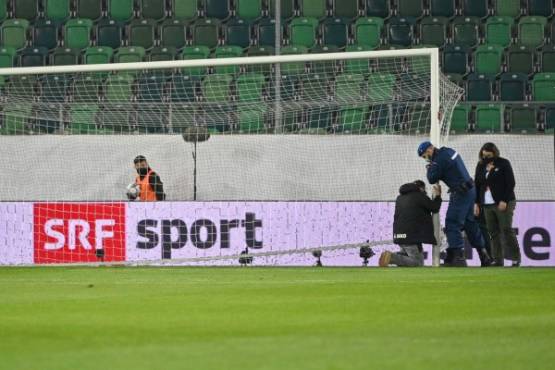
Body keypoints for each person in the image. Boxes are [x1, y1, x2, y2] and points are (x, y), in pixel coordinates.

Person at [417, 141, 491, 267]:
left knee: (452, 223)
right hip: (471, 190)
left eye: (425, 156)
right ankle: (484, 256)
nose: (426, 159)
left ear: (429, 150)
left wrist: (429, 167)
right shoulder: (448, 151)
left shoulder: (438, 160)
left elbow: (431, 179)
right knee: (469, 224)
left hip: (461, 193)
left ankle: (458, 257)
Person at [474, 143, 520, 267]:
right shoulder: (480, 165)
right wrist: (476, 203)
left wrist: (504, 200)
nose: (486, 158)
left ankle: (516, 258)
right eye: (483, 156)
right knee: (493, 232)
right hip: (487, 204)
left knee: (506, 229)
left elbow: (511, 183)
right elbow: (477, 183)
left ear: (494, 153)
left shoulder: (504, 163)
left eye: (488, 155)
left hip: (504, 202)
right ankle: (498, 260)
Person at [379, 180, 442, 267]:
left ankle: (393, 256)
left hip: (399, 235)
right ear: (421, 188)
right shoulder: (419, 196)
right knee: (417, 263)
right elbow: (434, 207)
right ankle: (391, 257)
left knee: (406, 261)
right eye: (424, 189)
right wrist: (438, 196)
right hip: (412, 236)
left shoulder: (400, 197)